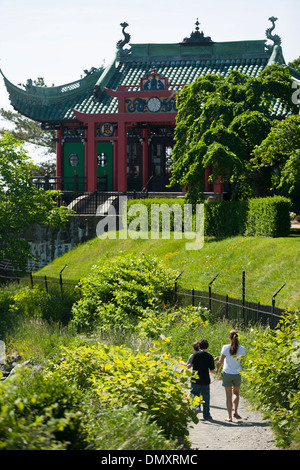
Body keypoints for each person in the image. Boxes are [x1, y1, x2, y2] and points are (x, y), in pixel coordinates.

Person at [216, 329, 246, 422]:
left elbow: (221, 361)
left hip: (227, 373)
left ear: (229, 337)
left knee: (228, 396)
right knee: (236, 393)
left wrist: (217, 369)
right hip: (237, 374)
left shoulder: (225, 347)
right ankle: (235, 411)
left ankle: (229, 417)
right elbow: (240, 361)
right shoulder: (242, 349)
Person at [187, 338, 215, 420]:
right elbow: (212, 371)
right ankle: (206, 415)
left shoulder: (195, 355)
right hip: (205, 379)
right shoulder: (210, 356)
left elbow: (190, 365)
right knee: (205, 397)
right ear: (207, 347)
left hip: (196, 378)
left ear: (199, 346)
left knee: (194, 394)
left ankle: (196, 408)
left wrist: (183, 369)